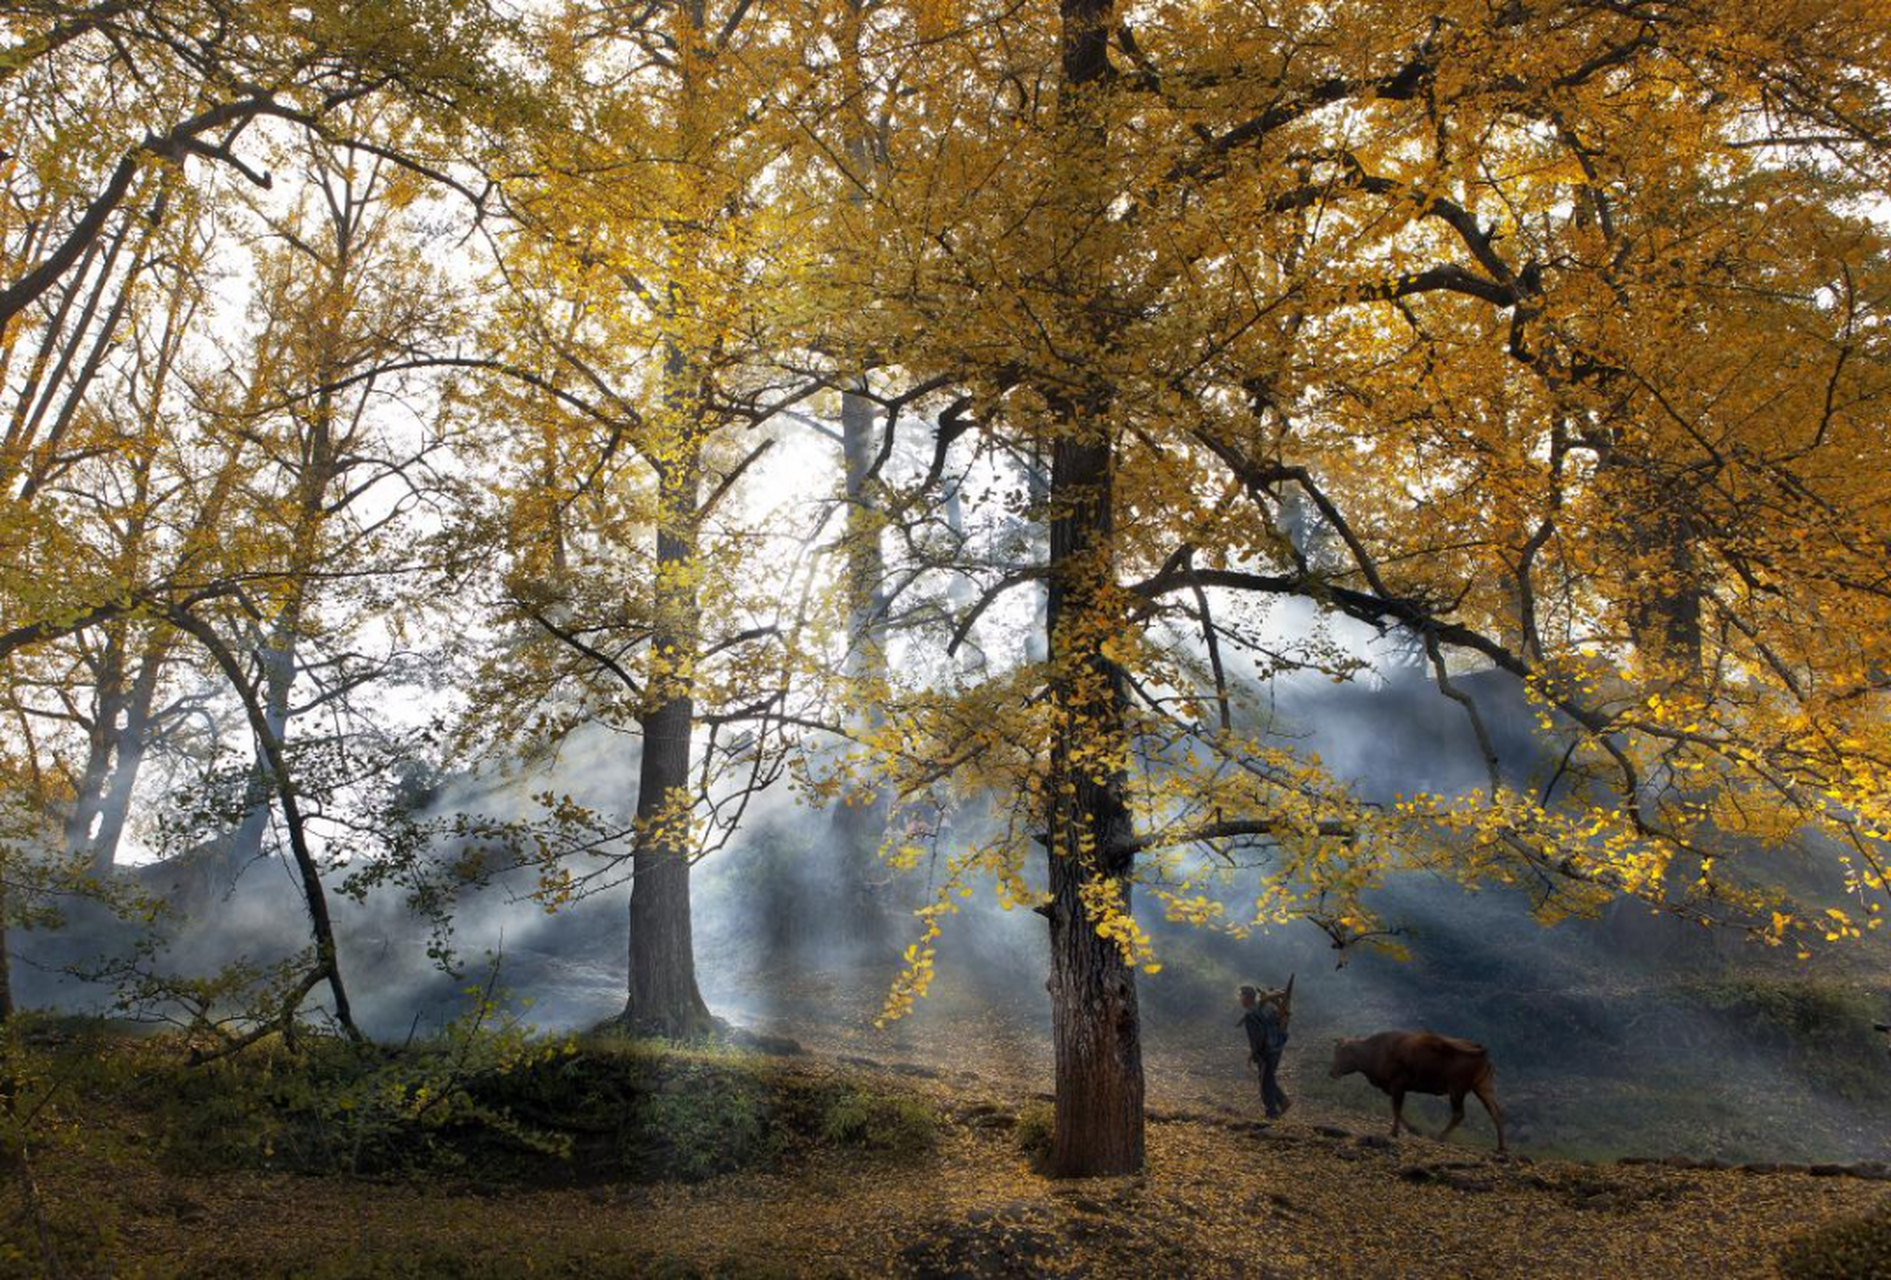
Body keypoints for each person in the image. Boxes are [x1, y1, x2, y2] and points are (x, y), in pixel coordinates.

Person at [1239, 983, 1292, 1118]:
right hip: (1277, 1048)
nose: (1240, 999)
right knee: (1267, 1078)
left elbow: (1257, 1037)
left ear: (1247, 998)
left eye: (1241, 996)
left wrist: (1255, 1053)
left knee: (1264, 1084)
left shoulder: (1251, 1015)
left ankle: (1272, 1112)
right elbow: (1279, 1022)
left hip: (1266, 1050)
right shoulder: (1268, 1008)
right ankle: (1282, 1101)